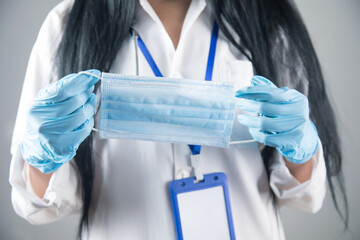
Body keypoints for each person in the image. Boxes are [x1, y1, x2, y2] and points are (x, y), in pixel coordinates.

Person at [9, 0, 347, 239]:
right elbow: (35, 204)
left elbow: (305, 195)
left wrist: (299, 148)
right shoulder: (67, 25)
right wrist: (43, 157)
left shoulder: (267, 19)